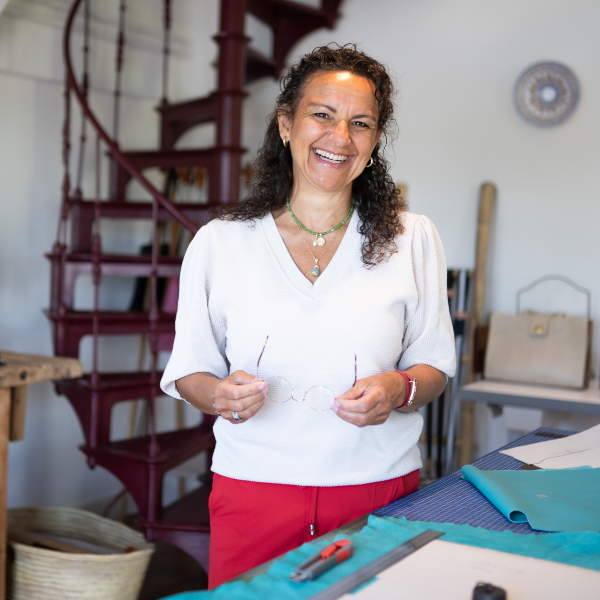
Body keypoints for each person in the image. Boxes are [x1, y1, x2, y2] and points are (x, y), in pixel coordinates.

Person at [161, 44, 455, 588]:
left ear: (374, 141)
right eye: (322, 114)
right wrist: (218, 395)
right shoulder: (219, 244)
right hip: (253, 492)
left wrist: (397, 388)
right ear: (286, 124)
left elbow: (434, 367)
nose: (339, 137)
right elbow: (189, 373)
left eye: (360, 123)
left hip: (377, 490)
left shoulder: (413, 238)